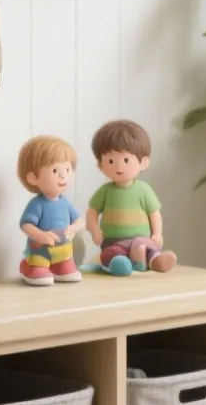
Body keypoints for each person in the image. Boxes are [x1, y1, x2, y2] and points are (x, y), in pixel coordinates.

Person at [86, 120, 178, 275]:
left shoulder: (143, 190)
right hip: (113, 241)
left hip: (142, 238)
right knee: (112, 253)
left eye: (126, 160)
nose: (119, 167)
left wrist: (157, 234)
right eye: (110, 161)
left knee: (148, 248)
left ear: (144, 162)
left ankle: (155, 260)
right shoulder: (105, 191)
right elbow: (92, 212)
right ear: (100, 165)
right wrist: (95, 231)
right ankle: (122, 263)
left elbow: (154, 213)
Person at [16, 135, 84, 286]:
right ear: (33, 178)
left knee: (69, 270)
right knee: (40, 271)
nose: (63, 176)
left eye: (67, 169)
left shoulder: (65, 202)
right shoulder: (37, 204)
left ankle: (60, 267)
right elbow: (26, 225)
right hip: (40, 251)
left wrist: (73, 228)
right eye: (55, 170)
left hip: (64, 252)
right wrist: (40, 235)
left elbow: (80, 221)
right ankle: (30, 266)